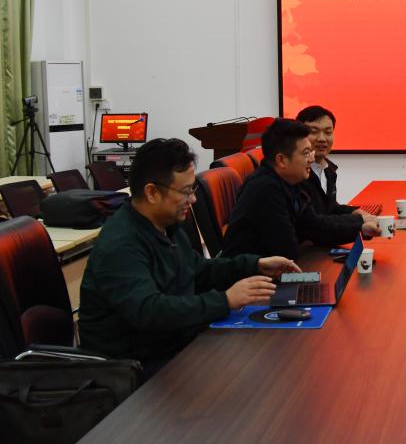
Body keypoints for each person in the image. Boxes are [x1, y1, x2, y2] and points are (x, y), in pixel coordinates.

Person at [78, 138, 300, 377]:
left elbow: (199, 271)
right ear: (152, 192)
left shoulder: (166, 226)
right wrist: (225, 300)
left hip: (172, 345)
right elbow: (150, 311)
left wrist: (255, 265)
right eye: (185, 191)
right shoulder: (121, 244)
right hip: (136, 369)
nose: (193, 199)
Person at [222, 118, 379, 259]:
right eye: (306, 153)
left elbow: (315, 226)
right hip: (250, 278)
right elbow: (287, 251)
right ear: (282, 160)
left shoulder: (288, 182)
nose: (311, 159)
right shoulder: (266, 190)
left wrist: (361, 227)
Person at [296, 104, 376, 220]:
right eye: (314, 131)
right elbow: (313, 221)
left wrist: (354, 211)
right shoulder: (297, 173)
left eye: (328, 132)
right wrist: (358, 222)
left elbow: (330, 208)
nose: (322, 139)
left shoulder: (329, 169)